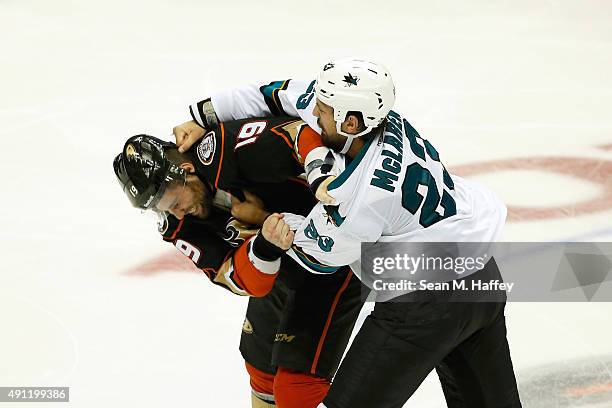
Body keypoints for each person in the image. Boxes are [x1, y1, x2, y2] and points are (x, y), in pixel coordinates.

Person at [173, 58, 522, 407]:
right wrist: (201, 116)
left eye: (322, 112)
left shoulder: (361, 197)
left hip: (424, 303)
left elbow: (320, 257)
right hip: (482, 282)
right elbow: (274, 94)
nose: (314, 115)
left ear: (350, 122)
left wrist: (265, 218)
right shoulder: (384, 119)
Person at [113, 115, 365, 408]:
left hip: (338, 254)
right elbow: (234, 277)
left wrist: (324, 179)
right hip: (285, 262)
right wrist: (263, 243)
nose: (178, 214)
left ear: (185, 170)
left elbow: (299, 132)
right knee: (260, 369)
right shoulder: (178, 224)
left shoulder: (226, 150)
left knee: (294, 387)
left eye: (173, 203)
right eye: (163, 210)